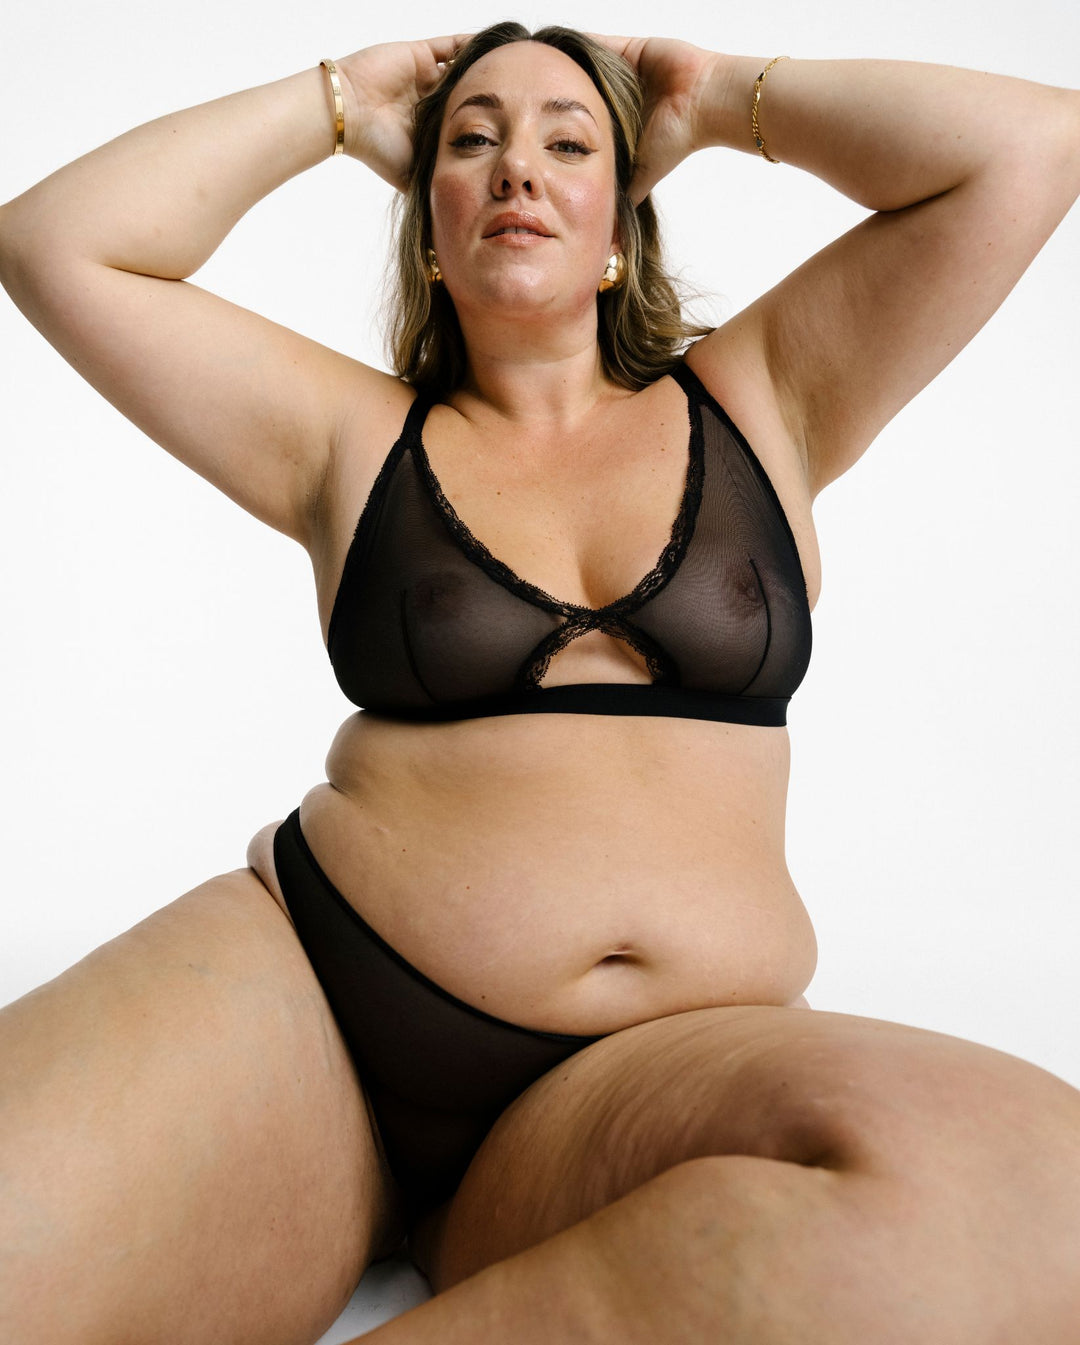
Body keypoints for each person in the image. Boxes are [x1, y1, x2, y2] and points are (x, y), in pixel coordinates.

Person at [1, 18, 1078, 1343]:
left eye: (570, 145)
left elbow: (1032, 146)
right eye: (472, 141)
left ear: (624, 227)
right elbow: (56, 242)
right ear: (428, 227)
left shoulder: (768, 397)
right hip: (314, 1005)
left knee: (1026, 1191)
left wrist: (719, 102)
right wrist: (338, 103)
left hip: (638, 1078)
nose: (518, 166)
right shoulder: (345, 435)